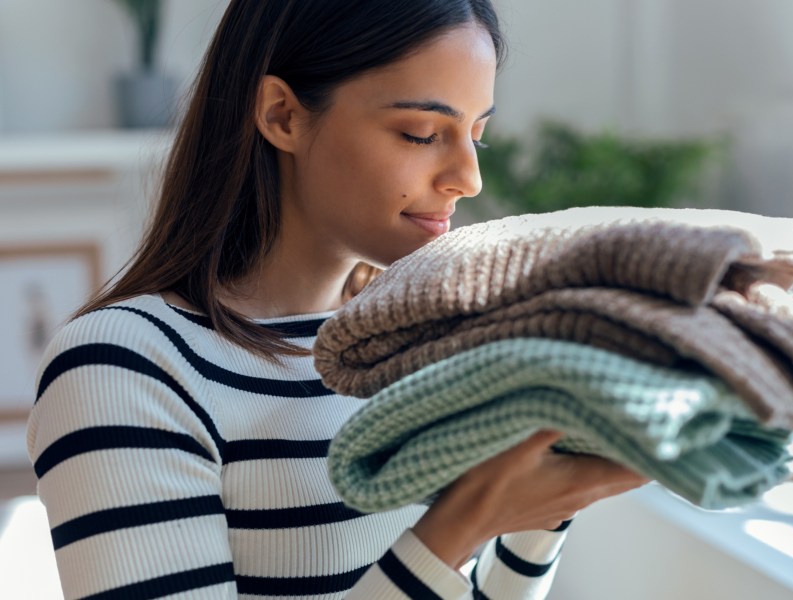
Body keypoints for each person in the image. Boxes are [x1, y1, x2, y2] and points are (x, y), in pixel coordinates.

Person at [27, 1, 647, 598]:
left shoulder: (424, 348)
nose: (468, 177)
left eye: (476, 136)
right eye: (421, 133)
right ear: (283, 116)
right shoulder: (126, 367)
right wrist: (463, 524)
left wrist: (554, 487)